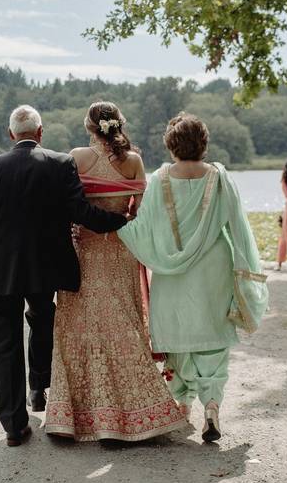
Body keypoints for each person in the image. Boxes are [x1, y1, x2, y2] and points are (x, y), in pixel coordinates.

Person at [0, 105, 127, 447]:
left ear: (11, 135)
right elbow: (80, 212)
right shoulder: (59, 163)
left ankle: (14, 426)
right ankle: (38, 388)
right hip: (45, 267)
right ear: (40, 133)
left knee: (4, 343)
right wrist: (120, 221)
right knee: (42, 321)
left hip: (0, 272)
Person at [45, 101, 188, 441]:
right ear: (118, 124)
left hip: (85, 253)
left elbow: (68, 205)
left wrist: (76, 227)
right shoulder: (134, 161)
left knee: (77, 328)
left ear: (89, 126)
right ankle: (136, 412)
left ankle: (75, 416)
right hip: (120, 250)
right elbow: (137, 213)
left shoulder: (76, 157)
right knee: (124, 324)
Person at [117, 113, 264, 443]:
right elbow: (237, 227)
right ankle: (211, 406)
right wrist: (245, 272)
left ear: (171, 146)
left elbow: (144, 227)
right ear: (204, 143)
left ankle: (180, 404)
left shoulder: (159, 179)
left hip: (172, 273)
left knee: (178, 338)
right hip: (213, 269)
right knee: (212, 341)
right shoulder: (220, 178)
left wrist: (117, 224)